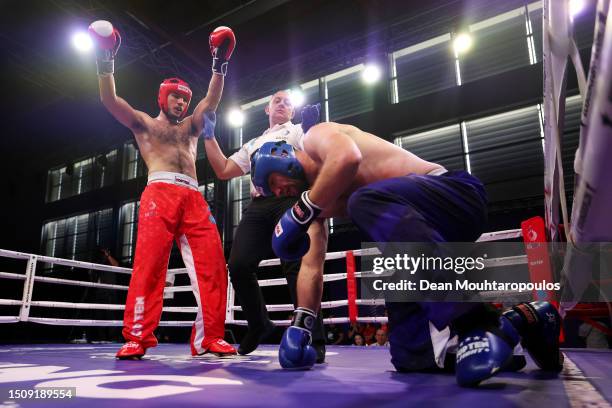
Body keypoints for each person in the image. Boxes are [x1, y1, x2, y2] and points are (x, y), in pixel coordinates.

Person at [251, 122, 563, 386]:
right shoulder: (319, 207)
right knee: (411, 356)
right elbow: (311, 267)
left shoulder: (316, 137)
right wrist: (301, 325)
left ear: (280, 158)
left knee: (362, 201)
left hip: (454, 194)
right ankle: (525, 321)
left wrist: (300, 211)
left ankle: (474, 325)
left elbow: (347, 157)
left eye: (273, 185)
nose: (278, 194)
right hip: (419, 238)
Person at [89, 20, 237, 359]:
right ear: (162, 98)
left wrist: (219, 64)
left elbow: (211, 101)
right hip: (159, 194)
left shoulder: (191, 127)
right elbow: (110, 100)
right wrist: (105, 57)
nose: (182, 104)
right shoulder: (145, 125)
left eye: (185, 99)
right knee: (149, 264)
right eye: (176, 98)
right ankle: (137, 337)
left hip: (194, 197)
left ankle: (210, 337)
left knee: (213, 264)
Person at [201, 90, 327, 361]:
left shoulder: (296, 131)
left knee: (297, 266)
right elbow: (223, 170)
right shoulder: (254, 143)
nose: (282, 105)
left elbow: (316, 154)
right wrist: (209, 136)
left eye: (287, 102)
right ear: (267, 110)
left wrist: (312, 127)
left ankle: (311, 337)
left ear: (292, 112)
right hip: (258, 206)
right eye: (276, 101)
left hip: (291, 197)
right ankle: (259, 324)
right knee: (238, 264)